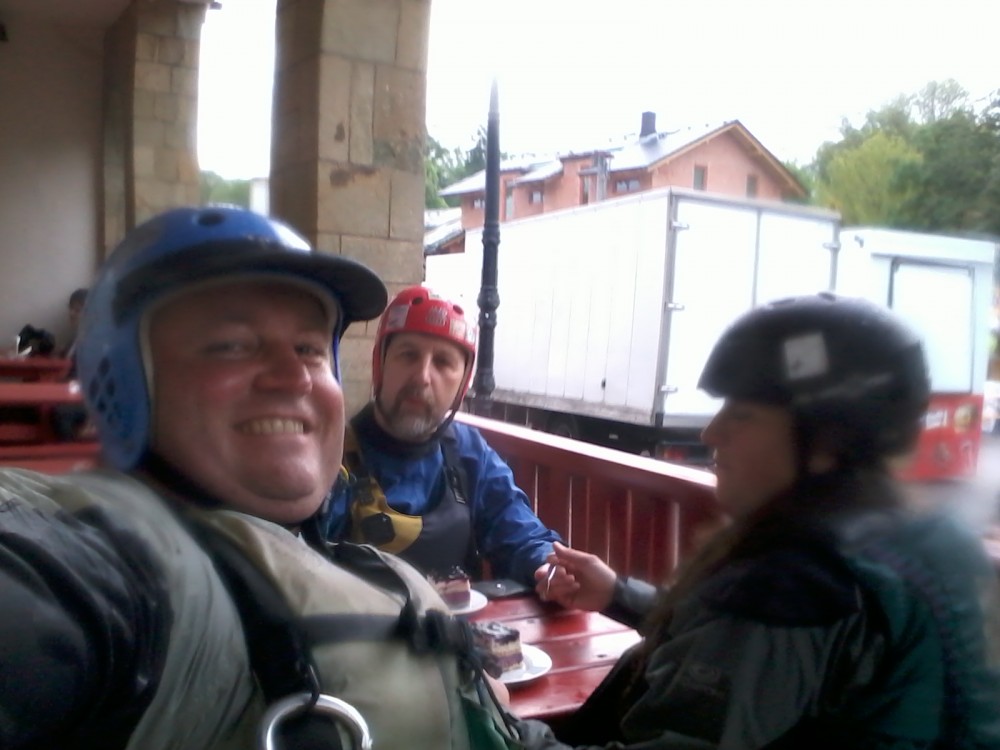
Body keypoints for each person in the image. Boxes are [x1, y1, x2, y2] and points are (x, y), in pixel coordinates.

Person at [0, 206, 517, 749]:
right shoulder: (112, 565)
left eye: (309, 349)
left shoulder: (338, 551)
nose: (294, 377)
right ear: (122, 379)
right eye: (232, 345)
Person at [519, 293, 1000, 749]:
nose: (712, 433)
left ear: (829, 439)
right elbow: (762, 654)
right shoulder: (930, 540)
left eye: (743, 414)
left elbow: (760, 640)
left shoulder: (795, 584)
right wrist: (618, 595)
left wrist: (495, 725)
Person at [324, 285, 561, 586]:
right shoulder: (333, 455)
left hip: (458, 617)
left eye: (443, 362)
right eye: (408, 355)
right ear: (380, 363)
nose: (422, 377)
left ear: (462, 383)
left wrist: (548, 567)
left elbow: (521, 533)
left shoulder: (469, 452)